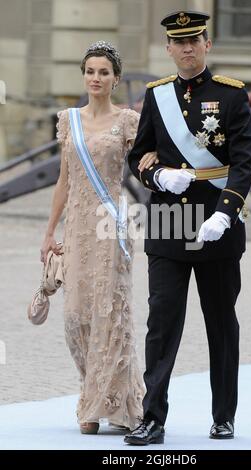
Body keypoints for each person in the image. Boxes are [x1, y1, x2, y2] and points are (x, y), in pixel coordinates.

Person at [124, 11, 251, 445]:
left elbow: (244, 161)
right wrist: (157, 177)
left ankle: (223, 416)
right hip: (167, 220)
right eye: (178, 42)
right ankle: (153, 418)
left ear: (207, 45)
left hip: (216, 220)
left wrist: (227, 211)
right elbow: (138, 155)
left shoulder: (232, 96)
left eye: (194, 40)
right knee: (161, 324)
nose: (186, 48)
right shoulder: (156, 94)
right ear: (168, 48)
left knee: (220, 322)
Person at [40, 41, 158, 434]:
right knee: (75, 315)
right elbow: (63, 180)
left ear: (116, 79)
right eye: (90, 71)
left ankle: (101, 405)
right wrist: (49, 231)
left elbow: (146, 163)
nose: (96, 78)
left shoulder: (127, 121)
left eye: (103, 72)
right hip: (76, 226)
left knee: (109, 313)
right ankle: (94, 390)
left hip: (111, 225)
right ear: (84, 75)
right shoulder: (68, 119)